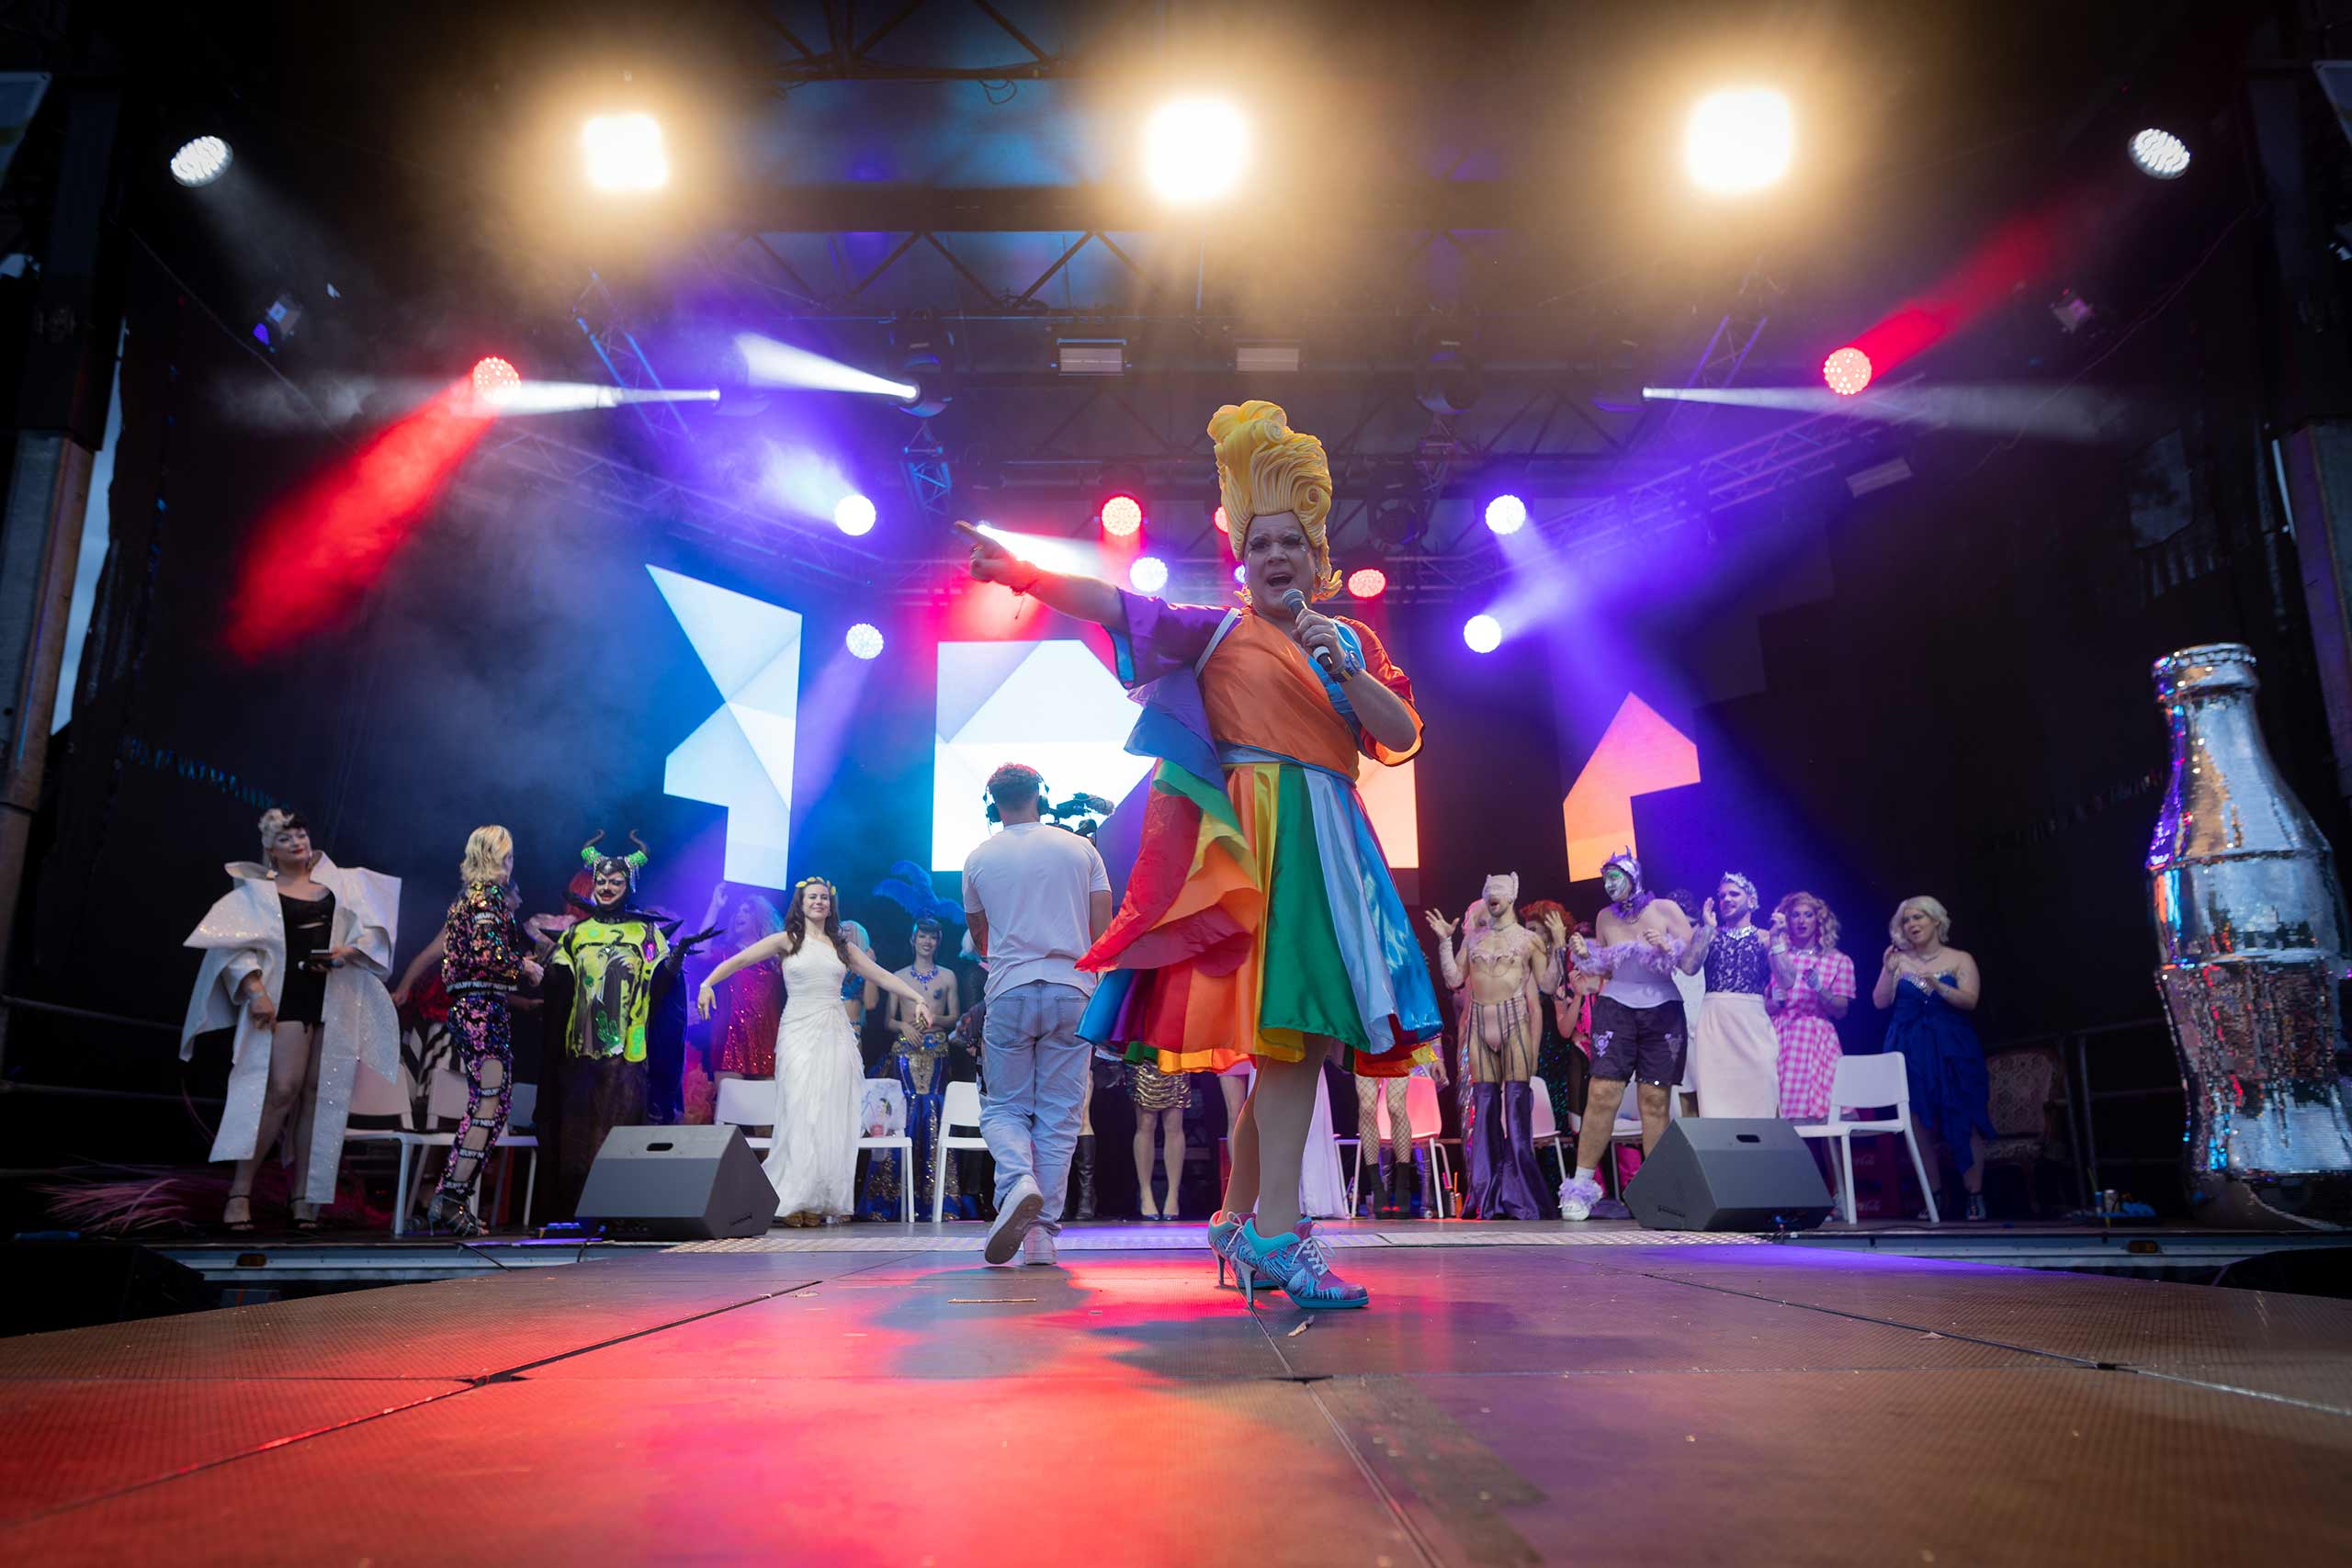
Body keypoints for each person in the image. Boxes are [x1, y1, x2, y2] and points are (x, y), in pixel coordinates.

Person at [958, 399, 1437, 1308]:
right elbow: (1116, 603)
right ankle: (1278, 1239)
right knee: (1293, 1037)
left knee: (1293, 1040)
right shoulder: (1214, 632)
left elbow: (1401, 735)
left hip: (1330, 843)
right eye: (1258, 546)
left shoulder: (1352, 642)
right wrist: (1027, 572)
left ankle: (1235, 1220)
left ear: (1317, 556)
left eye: (1290, 543)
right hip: (1256, 846)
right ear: (1241, 561)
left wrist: (1348, 670)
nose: (1275, 558)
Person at [180, 809, 401, 1232]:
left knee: (319, 1097)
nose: (297, 842)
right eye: (286, 839)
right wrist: (256, 991)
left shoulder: (338, 887)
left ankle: (303, 1197)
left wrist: (346, 954)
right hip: (286, 999)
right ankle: (240, 1191)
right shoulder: (255, 894)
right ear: (270, 849)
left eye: (301, 834)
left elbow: (373, 931)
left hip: (333, 997)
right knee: (282, 1091)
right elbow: (231, 949)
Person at [699, 877, 933, 1225]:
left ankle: (817, 1199)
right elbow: (741, 959)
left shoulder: (842, 946)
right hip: (797, 1030)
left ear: (831, 904)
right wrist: (707, 983)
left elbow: (881, 976)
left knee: (828, 1116)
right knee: (799, 1111)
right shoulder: (787, 940)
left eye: (824, 898)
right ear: (802, 902)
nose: (819, 902)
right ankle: (791, 1198)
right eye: (812, 897)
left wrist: (917, 997)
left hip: (834, 1032)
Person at [961, 762, 1115, 1264]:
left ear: (993, 804)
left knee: (1004, 1108)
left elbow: (981, 939)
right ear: (1041, 796)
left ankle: (1017, 1179)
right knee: (1060, 1117)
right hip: (1073, 991)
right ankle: (1041, 1238)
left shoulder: (978, 857)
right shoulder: (1081, 849)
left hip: (1008, 990)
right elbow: (1102, 931)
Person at [541, 832, 692, 1218]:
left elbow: (663, 985)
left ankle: (618, 1210)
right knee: (577, 1129)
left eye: (616, 882)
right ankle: (575, 1211)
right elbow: (559, 981)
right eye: (602, 881)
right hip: (582, 1048)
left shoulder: (645, 933)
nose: (607, 887)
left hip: (628, 1049)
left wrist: (674, 962)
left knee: (619, 1129)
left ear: (629, 886)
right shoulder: (577, 934)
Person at [1558, 851, 1693, 1222]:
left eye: (1615, 876)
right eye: (1605, 879)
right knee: (1602, 1093)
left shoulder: (1665, 910)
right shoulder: (1604, 918)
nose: (1609, 885)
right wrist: (1587, 955)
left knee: (1654, 1100)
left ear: (1632, 876)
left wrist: (1669, 946)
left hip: (1662, 1008)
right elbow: (1604, 968)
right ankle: (1581, 1187)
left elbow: (1691, 960)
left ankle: (1660, 1191)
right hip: (1617, 1007)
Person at [424, 826, 543, 1236]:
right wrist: (525, 967)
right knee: (489, 1103)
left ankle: (450, 1198)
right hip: (481, 1010)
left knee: (492, 1103)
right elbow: (488, 954)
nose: (511, 865)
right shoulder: (488, 897)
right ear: (496, 857)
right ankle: (451, 1199)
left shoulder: (465, 900)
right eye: (507, 857)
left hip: (474, 1007)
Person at [1429, 874, 1562, 1219]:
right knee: (1485, 1111)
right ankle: (1486, 1198)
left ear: (1513, 896)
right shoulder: (1473, 940)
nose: (1494, 897)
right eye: (1489, 891)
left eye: (1500, 892)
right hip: (1479, 1024)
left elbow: (1547, 984)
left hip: (1513, 1022)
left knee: (1517, 1115)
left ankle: (1522, 1198)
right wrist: (1445, 942)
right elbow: (1454, 979)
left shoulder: (1528, 940)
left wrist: (1558, 947)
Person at [1874, 895, 1992, 1220]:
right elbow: (1880, 1002)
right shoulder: (1899, 960)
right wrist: (1888, 970)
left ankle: (1974, 1195)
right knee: (1918, 1124)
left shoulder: (1959, 958)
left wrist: (1939, 988)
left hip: (1953, 1048)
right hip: (1911, 1050)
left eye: (1918, 918)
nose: (1911, 925)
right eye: (1906, 920)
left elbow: (1970, 1001)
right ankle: (1934, 1196)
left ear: (1936, 921)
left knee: (1964, 1117)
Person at [862, 916, 976, 1222]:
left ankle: (939, 1201)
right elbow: (887, 1020)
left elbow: (955, 1017)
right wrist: (904, 1028)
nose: (927, 942)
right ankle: (889, 1199)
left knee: (934, 1117)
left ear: (939, 942)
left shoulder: (949, 977)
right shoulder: (897, 976)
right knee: (903, 1117)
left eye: (933, 937)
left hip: (937, 1051)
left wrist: (933, 1021)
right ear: (913, 940)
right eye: (922, 936)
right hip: (905, 1051)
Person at [1681, 874, 1781, 1118]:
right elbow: (1689, 967)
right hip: (1715, 1021)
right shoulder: (1711, 935)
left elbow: (1788, 979)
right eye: (1722, 895)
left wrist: (1778, 940)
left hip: (1752, 1020)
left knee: (1761, 1089)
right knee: (1716, 1098)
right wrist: (1706, 928)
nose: (1726, 899)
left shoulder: (1766, 937)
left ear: (1752, 899)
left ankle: (1761, 1151)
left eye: (1734, 894)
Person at [1770, 890, 1854, 1122]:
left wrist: (1820, 989)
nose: (1801, 921)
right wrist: (1773, 1002)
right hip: (1780, 1036)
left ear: (1818, 920)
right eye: (1795, 915)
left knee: (1827, 1117)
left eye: (1808, 915)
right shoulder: (1776, 955)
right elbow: (1763, 1006)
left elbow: (1841, 1010)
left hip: (1817, 1041)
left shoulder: (1837, 960)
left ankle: (1835, 1160)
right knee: (1778, 1116)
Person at [695, 886, 785, 1084]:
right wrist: (714, 906)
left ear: (760, 919)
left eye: (747, 911)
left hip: (766, 1039)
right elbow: (701, 951)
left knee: (765, 1111)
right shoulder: (729, 953)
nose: (739, 915)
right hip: (730, 1038)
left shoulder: (776, 957)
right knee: (729, 1110)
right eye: (738, 911)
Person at [1128, 1059, 1191, 1221]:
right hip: (1145, 1049)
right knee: (1146, 1122)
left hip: (1174, 1051)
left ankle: (1173, 1194)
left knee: (1174, 1123)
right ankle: (1145, 1193)